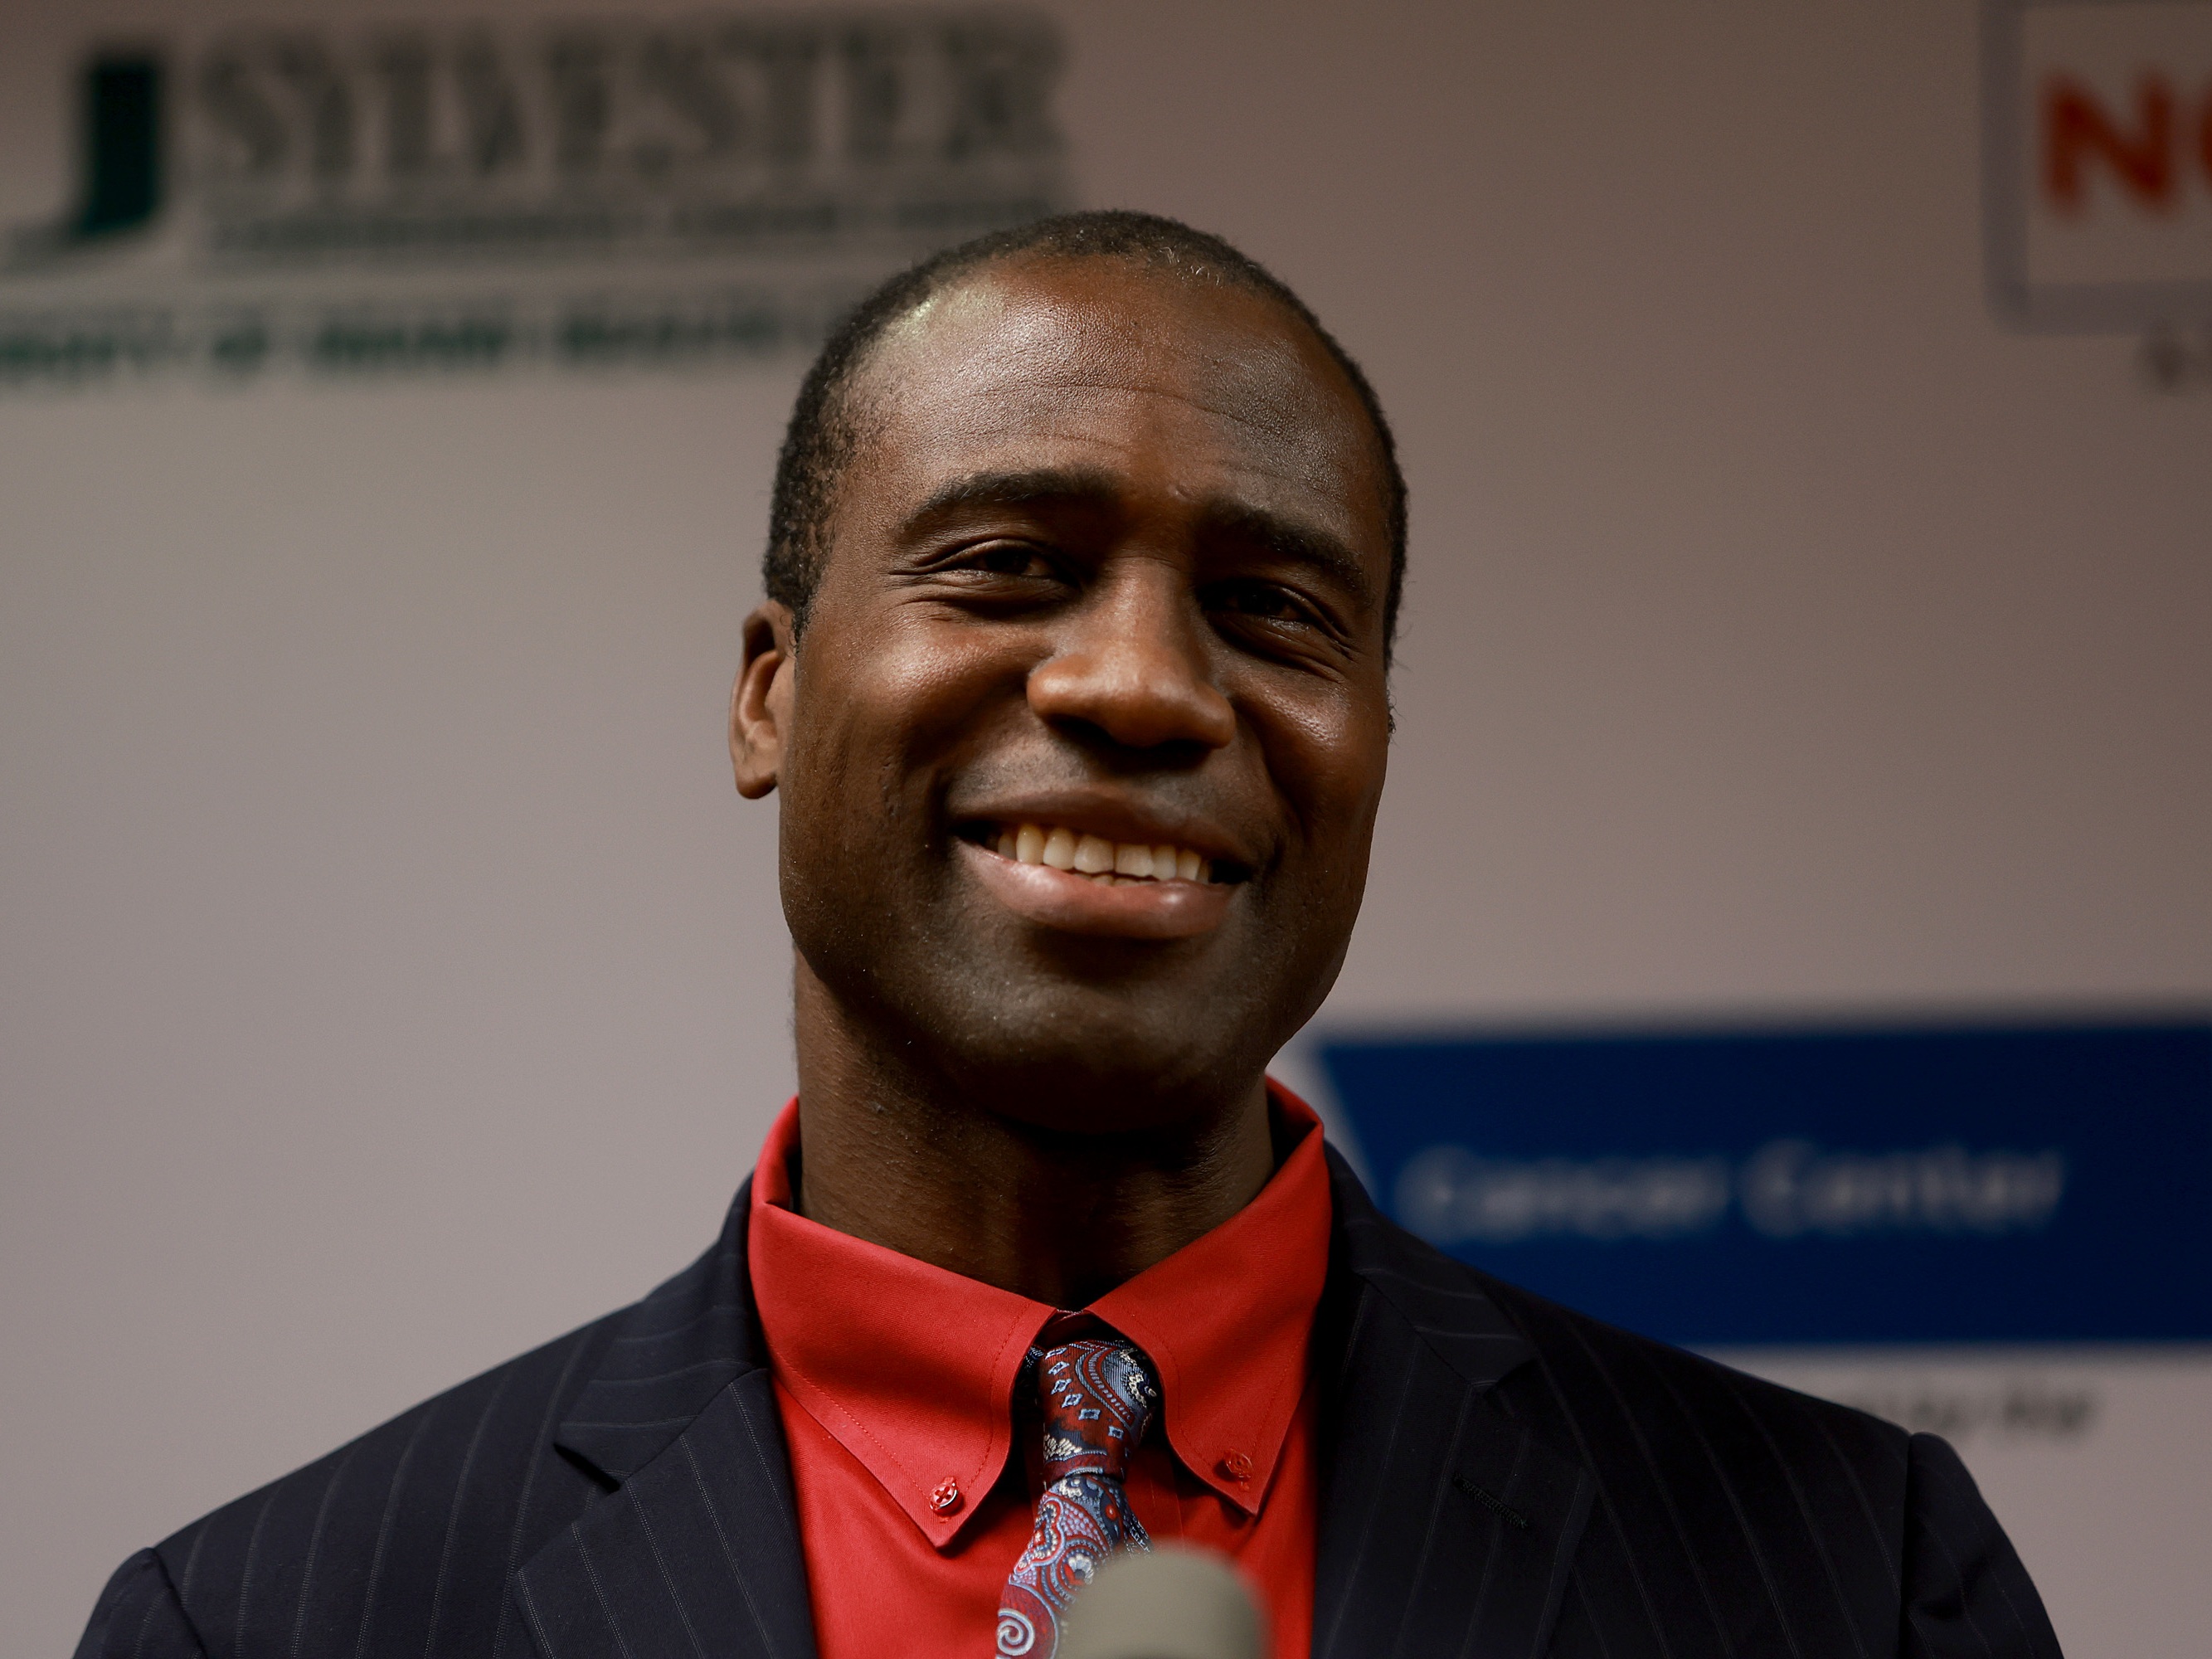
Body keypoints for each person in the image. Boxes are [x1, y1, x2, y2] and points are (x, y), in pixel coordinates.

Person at [75, 212, 2061, 1659]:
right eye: (1007, 566)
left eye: (1276, 611)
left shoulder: (1848, 1578)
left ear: (1368, 744)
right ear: (767, 691)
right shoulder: (267, 1622)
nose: (1138, 684)